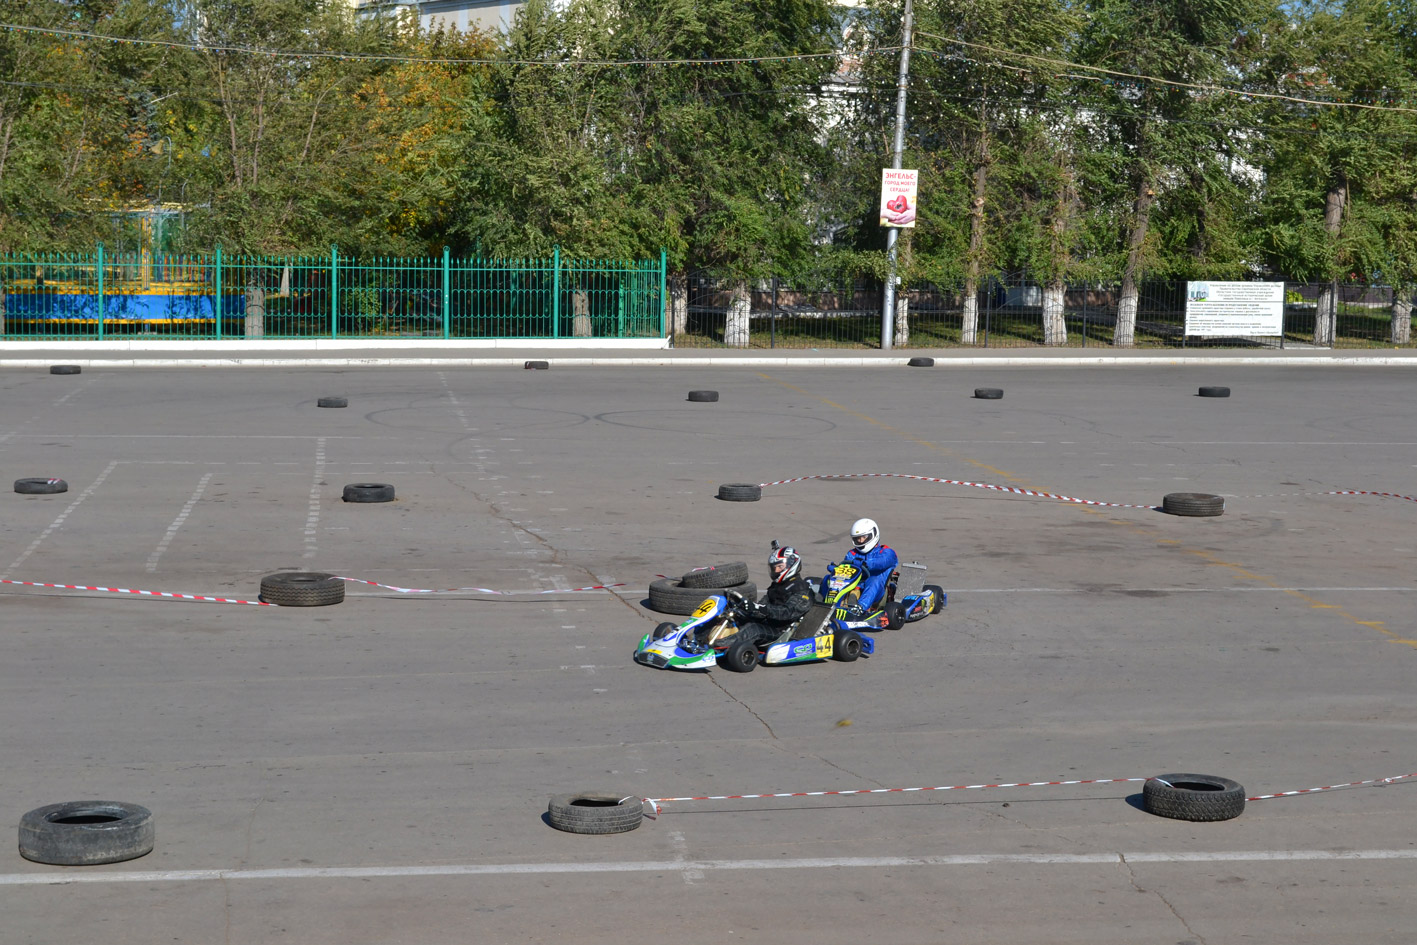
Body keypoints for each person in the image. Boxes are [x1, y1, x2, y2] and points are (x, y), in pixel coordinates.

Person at [735, 544, 814, 642]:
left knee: (753, 629)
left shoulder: (802, 588)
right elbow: (762, 605)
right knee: (737, 618)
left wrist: (762, 609)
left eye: (780, 566)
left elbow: (787, 613)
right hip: (769, 624)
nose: (776, 570)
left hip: (783, 632)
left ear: (792, 564)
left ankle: (720, 647)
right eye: (774, 567)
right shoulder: (778, 586)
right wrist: (747, 609)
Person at [837, 517, 898, 613]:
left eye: (864, 537)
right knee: (830, 579)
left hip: (878, 591)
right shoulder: (852, 554)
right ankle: (825, 603)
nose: (861, 541)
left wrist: (866, 563)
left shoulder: (886, 552)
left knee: (874, 580)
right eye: (858, 538)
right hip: (855, 584)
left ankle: (860, 608)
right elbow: (846, 567)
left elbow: (882, 562)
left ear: (873, 534)